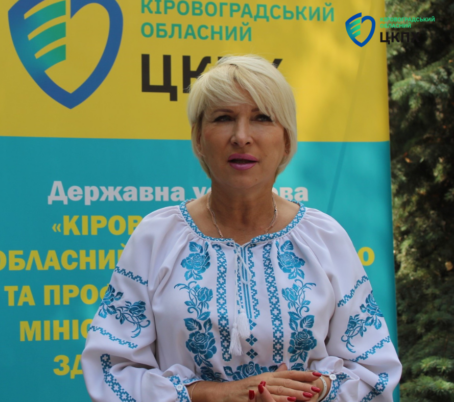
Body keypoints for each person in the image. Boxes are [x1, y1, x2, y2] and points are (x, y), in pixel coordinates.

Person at [81, 55, 402, 402]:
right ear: (199, 139)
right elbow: (111, 371)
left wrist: (316, 389)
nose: (242, 136)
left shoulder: (324, 238)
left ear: (287, 139)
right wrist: (213, 394)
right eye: (223, 118)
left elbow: (374, 371)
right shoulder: (157, 237)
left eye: (262, 118)